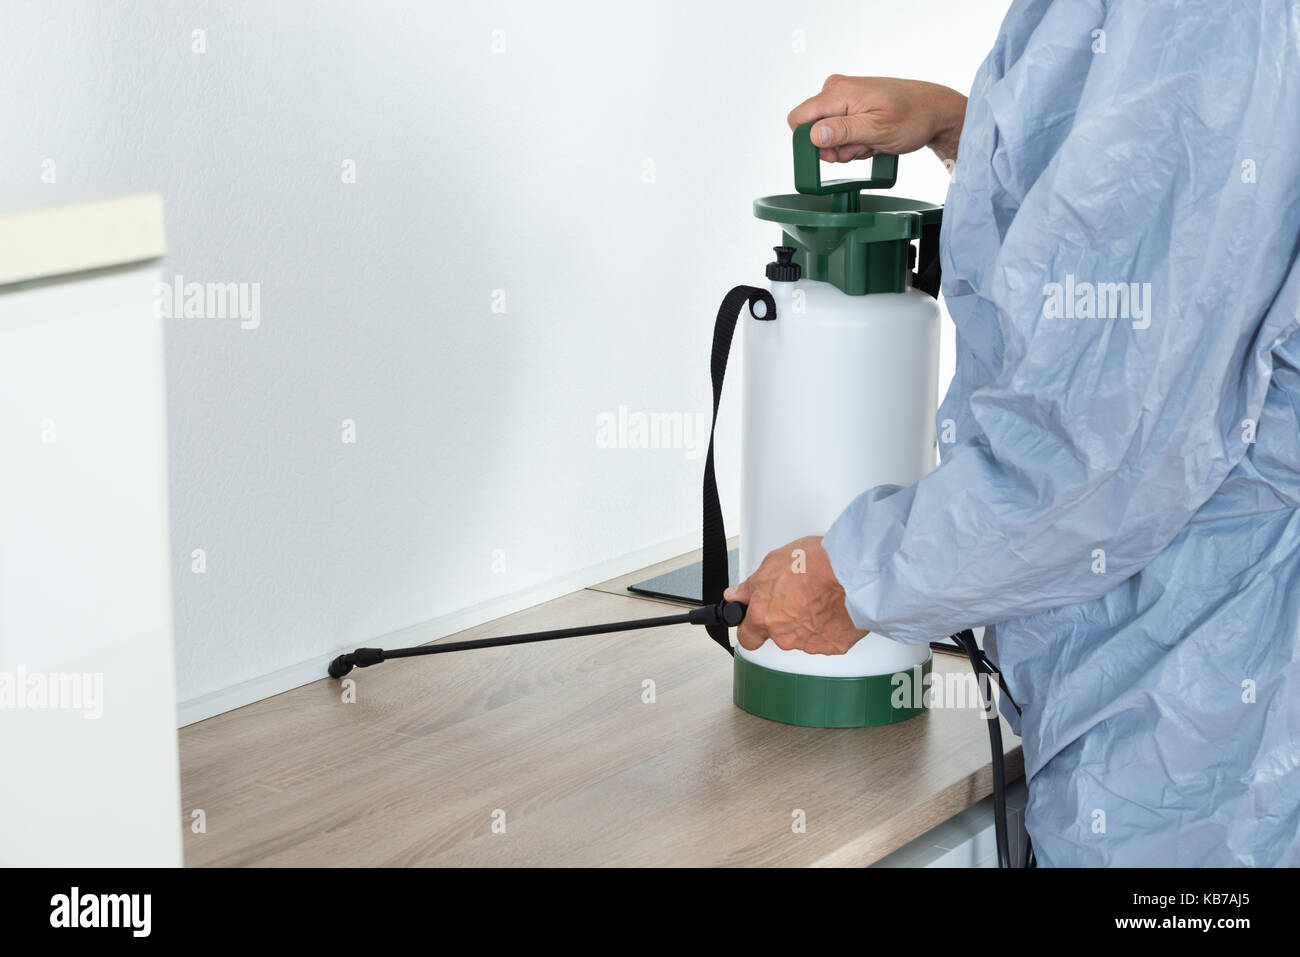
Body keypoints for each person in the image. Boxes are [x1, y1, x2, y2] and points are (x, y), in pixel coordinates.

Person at [726, 0, 1300, 866]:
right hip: (1161, 671)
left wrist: (852, 577)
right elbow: (1129, 209)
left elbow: (1100, 451)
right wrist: (967, 125)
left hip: (1195, 718)